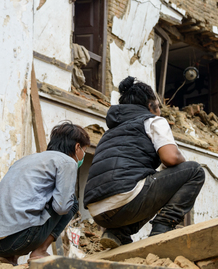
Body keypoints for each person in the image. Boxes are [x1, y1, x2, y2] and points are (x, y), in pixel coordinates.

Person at [84, 76, 205, 249]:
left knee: (147, 182)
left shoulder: (110, 132)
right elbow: (170, 158)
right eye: (158, 106)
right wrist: (182, 167)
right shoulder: (153, 120)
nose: (160, 111)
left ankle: (118, 233)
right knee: (194, 171)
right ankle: (162, 227)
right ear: (151, 106)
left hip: (98, 211)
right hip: (125, 199)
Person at [0, 121, 90, 264]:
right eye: (84, 150)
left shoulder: (25, 160)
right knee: (70, 201)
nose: (83, 155)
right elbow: (62, 208)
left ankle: (10, 257)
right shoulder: (67, 162)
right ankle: (40, 250)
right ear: (77, 147)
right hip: (21, 240)